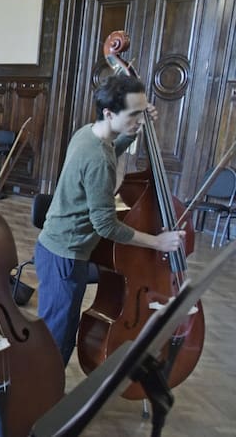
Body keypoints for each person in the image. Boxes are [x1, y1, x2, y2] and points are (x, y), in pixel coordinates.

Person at [35, 73, 186, 366]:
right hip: (65, 256)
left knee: (56, 332)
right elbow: (105, 225)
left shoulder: (88, 133)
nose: (141, 122)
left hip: (54, 250)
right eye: (134, 115)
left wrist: (131, 131)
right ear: (109, 113)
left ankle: (42, 395)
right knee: (58, 339)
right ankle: (42, 403)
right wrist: (157, 241)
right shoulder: (100, 161)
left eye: (143, 113)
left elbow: (109, 148)